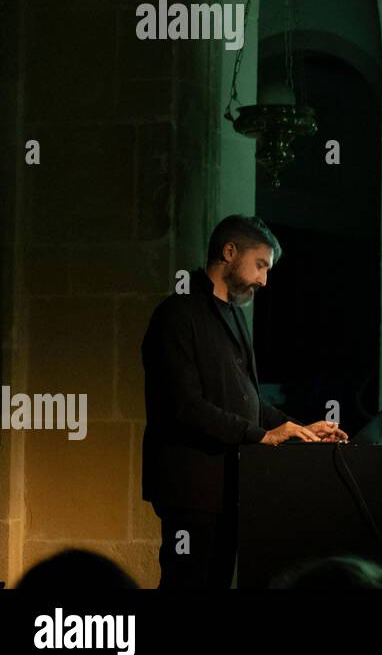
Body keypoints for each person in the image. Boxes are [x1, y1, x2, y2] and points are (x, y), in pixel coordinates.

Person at [141, 215, 348, 588]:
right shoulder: (177, 314)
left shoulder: (235, 315)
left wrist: (299, 429)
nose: (264, 280)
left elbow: (248, 401)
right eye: (260, 265)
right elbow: (184, 406)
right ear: (229, 251)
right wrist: (260, 436)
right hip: (192, 486)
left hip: (232, 485)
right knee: (187, 583)